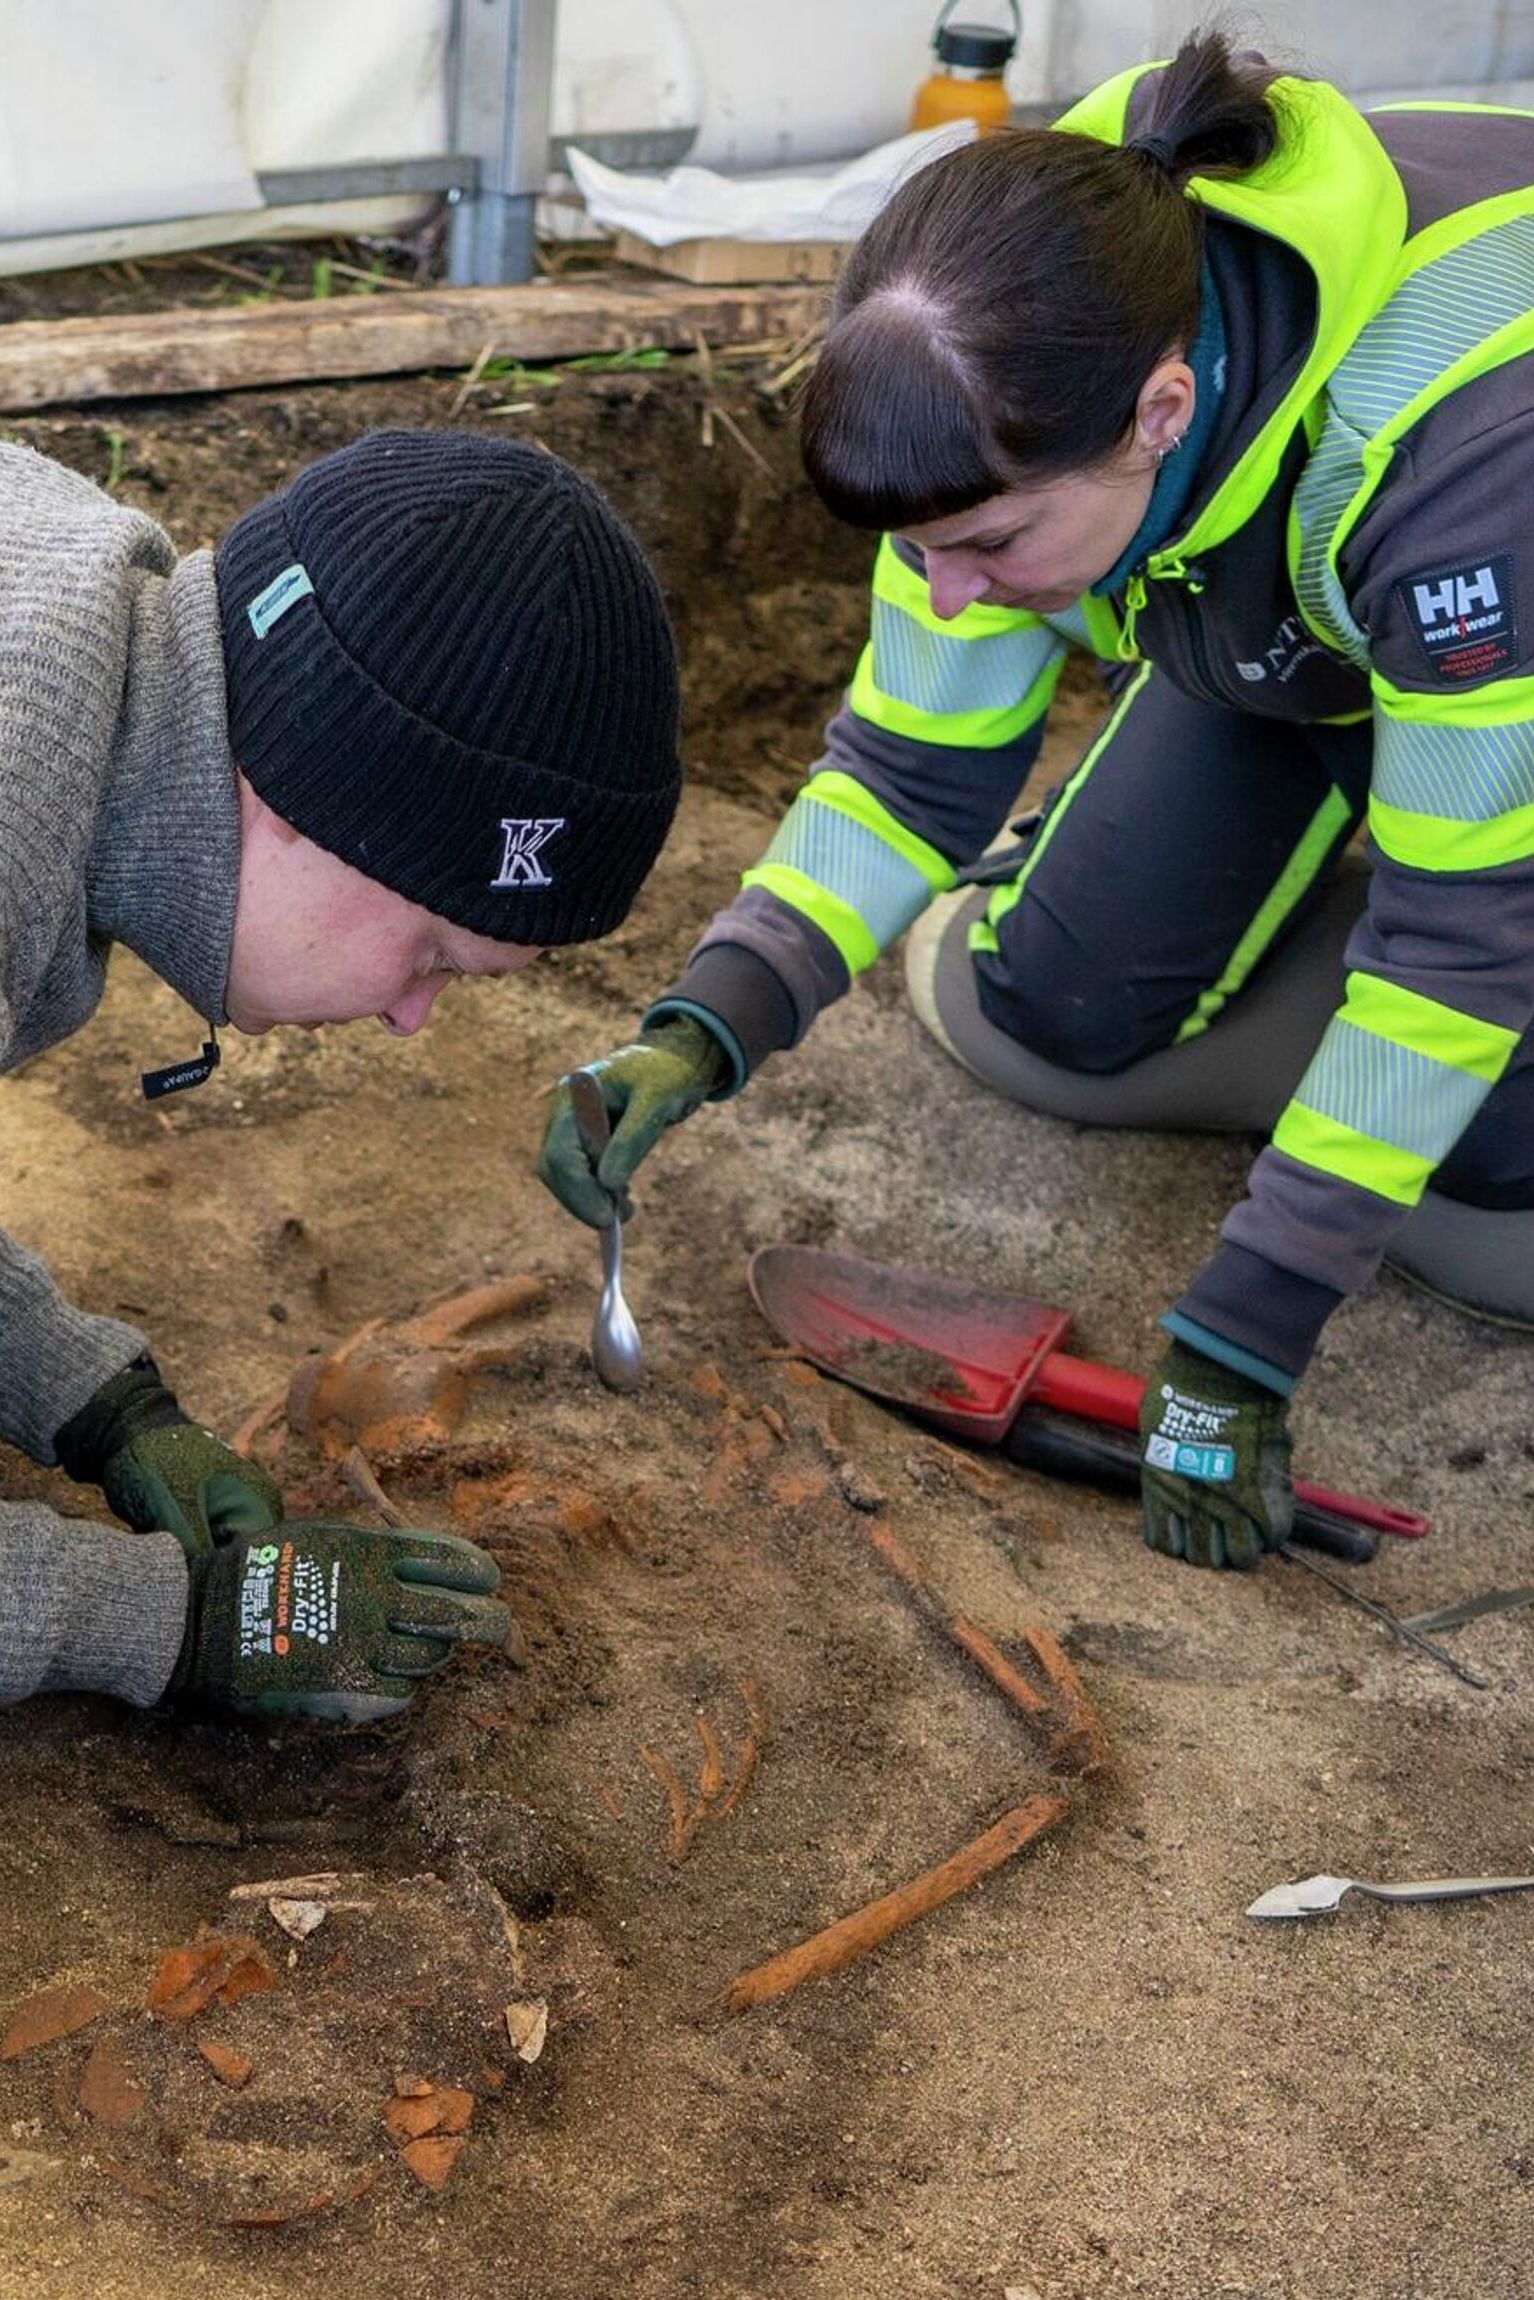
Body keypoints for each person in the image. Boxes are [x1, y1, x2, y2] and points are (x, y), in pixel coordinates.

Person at [538, 31, 1534, 1571]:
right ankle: (1359, 949)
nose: (950, 595)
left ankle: (1389, 940)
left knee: (1498, 1177)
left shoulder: (1461, 456)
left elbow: (1463, 943)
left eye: (989, 546)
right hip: (1296, 628)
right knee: (1044, 1012)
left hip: (1478, 600)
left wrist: (1244, 1338)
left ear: (1161, 410)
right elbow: (909, 768)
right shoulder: (1001, 343)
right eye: (926, 549)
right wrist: (705, 1021)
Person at [0, 400, 682, 1720]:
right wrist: (173, 1624)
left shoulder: (51, 572)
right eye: (433, 959)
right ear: (327, 809)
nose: (415, 1019)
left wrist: (80, 1392)